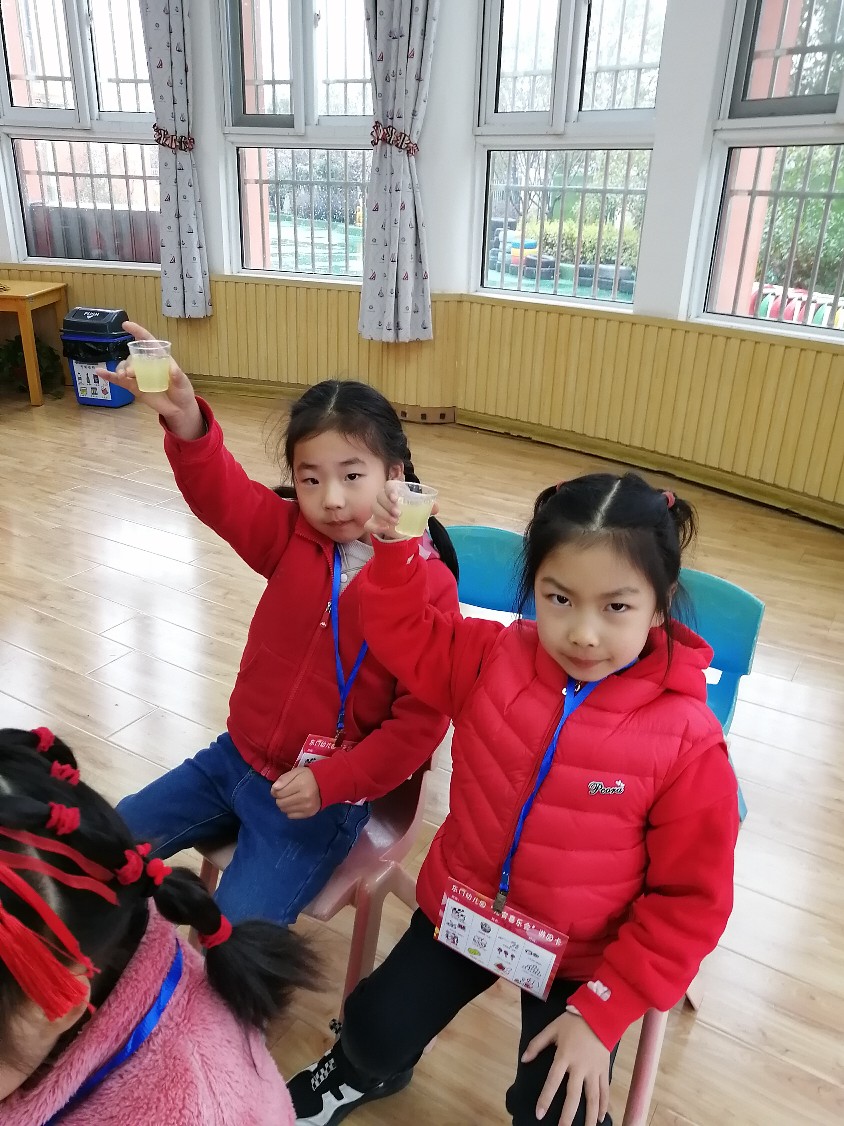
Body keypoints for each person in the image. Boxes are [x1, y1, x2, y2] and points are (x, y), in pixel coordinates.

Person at [289, 472, 740, 1126]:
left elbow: (690, 903)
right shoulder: (491, 656)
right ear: (534, 589)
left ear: (660, 604)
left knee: (559, 1110)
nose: (583, 634)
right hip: (467, 908)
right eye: (559, 598)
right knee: (370, 1031)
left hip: (582, 959)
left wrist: (603, 1011)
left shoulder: (688, 742)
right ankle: (360, 1071)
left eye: (616, 607)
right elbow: (404, 632)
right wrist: (396, 548)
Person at [97, 325, 459, 927]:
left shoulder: (430, 588)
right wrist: (185, 418)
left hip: (321, 799)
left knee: (234, 936)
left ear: (395, 474)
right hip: (232, 760)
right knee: (103, 846)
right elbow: (224, 494)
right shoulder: (291, 534)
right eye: (311, 478)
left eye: (352, 476)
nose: (331, 499)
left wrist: (332, 782)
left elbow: (419, 727)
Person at [0, 725, 317, 1125]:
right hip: (237, 759)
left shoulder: (198, 1109)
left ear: (58, 1007)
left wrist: (333, 779)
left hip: (310, 800)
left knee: (242, 906)